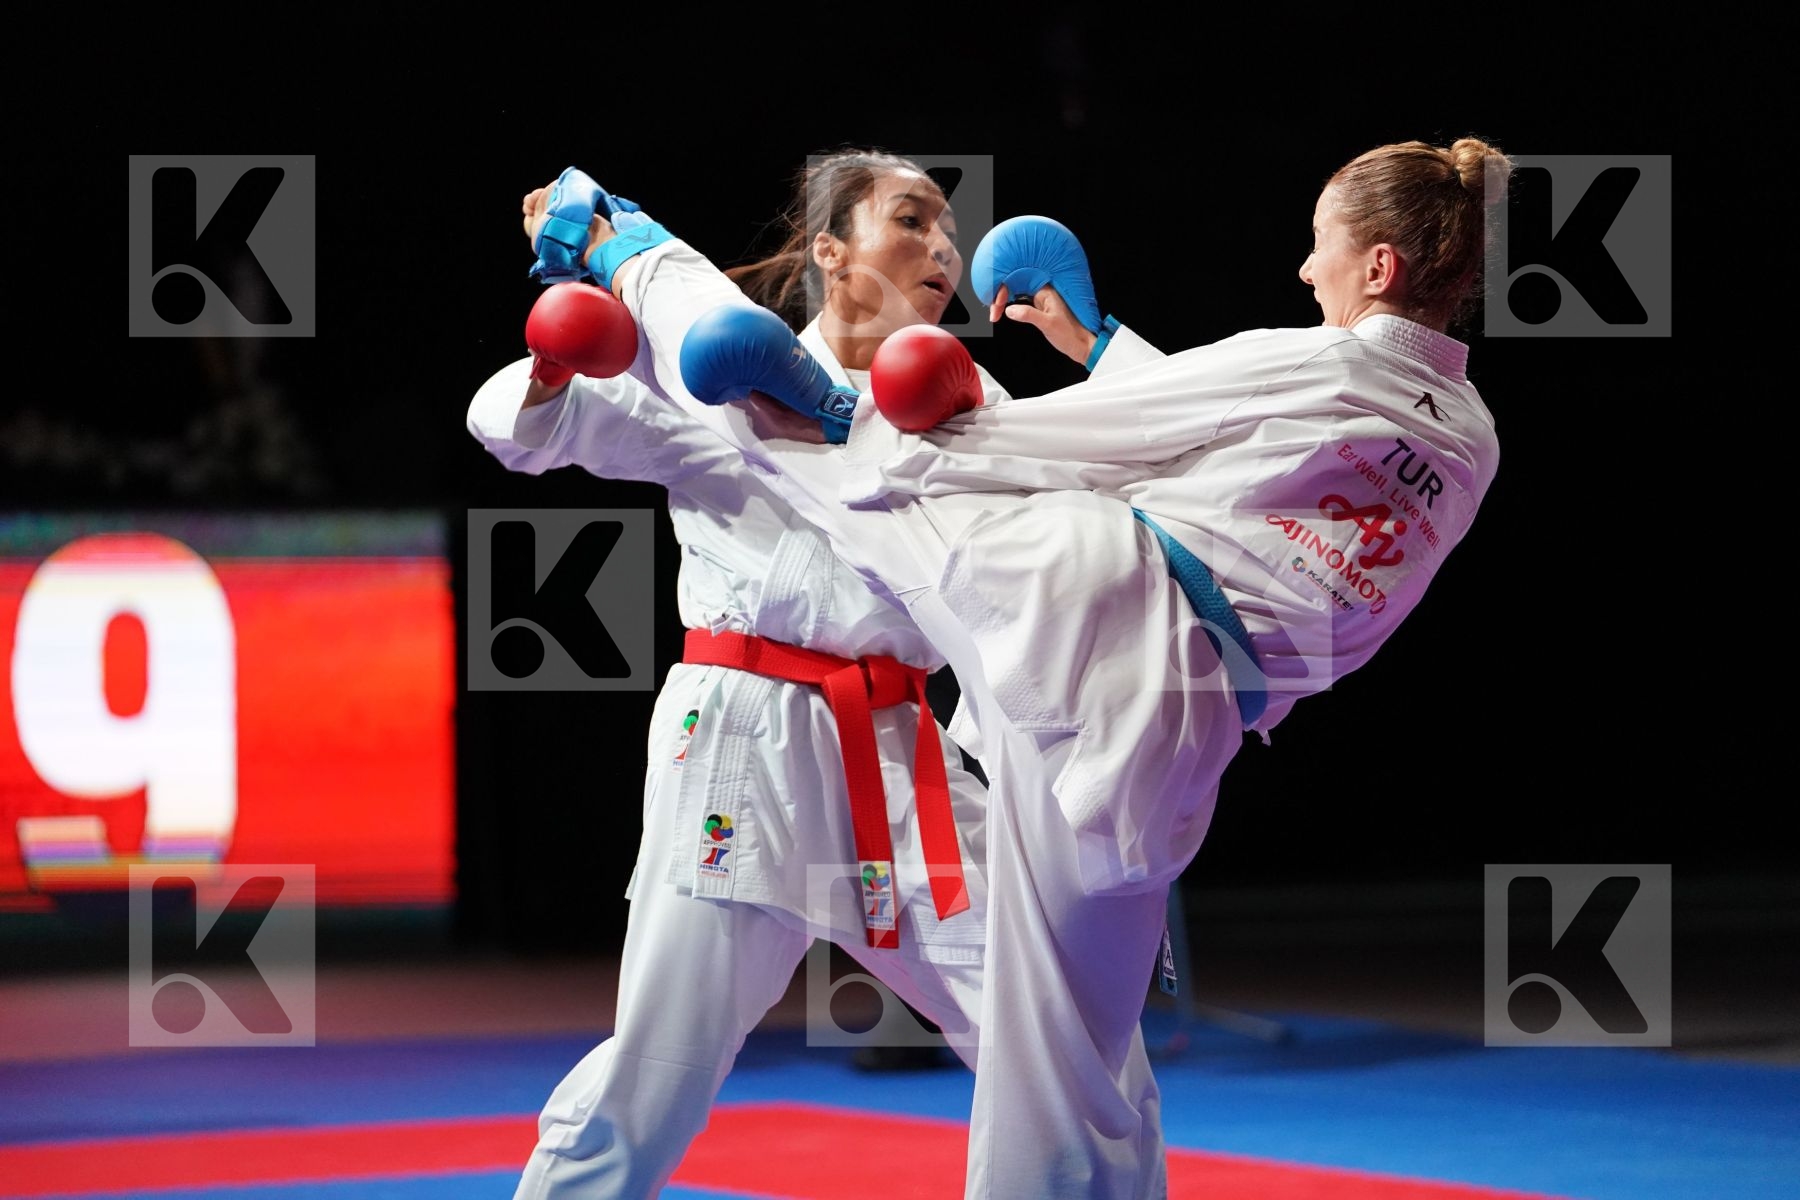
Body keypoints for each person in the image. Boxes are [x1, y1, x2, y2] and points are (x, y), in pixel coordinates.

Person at [546, 135, 1511, 1199]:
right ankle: (655, 268)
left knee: (856, 465)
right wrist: (1075, 354)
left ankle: (647, 262)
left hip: (1094, 618)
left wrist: (939, 434)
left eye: (1319, 249)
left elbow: (1118, 434)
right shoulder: (1472, 440)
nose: (1302, 272)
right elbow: (1226, 440)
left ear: (1379, 269)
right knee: (1074, 1065)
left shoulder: (1325, 360)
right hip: (1173, 704)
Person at [469, 149, 1015, 1200]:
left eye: (950, 228)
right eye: (910, 220)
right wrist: (556, 351)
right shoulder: (708, 374)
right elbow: (514, 434)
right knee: (659, 1067)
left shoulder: (974, 408)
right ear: (830, 251)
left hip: (898, 749)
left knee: (1050, 1035)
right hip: (740, 742)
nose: (943, 246)